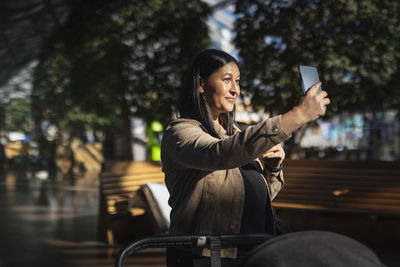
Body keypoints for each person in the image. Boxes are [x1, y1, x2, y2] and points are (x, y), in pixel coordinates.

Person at [160, 49, 330, 267]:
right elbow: (220, 153)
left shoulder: (236, 134)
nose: (235, 90)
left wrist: (273, 169)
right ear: (201, 84)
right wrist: (296, 116)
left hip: (251, 251)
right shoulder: (180, 133)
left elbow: (254, 200)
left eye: (238, 81)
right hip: (205, 257)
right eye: (227, 80)